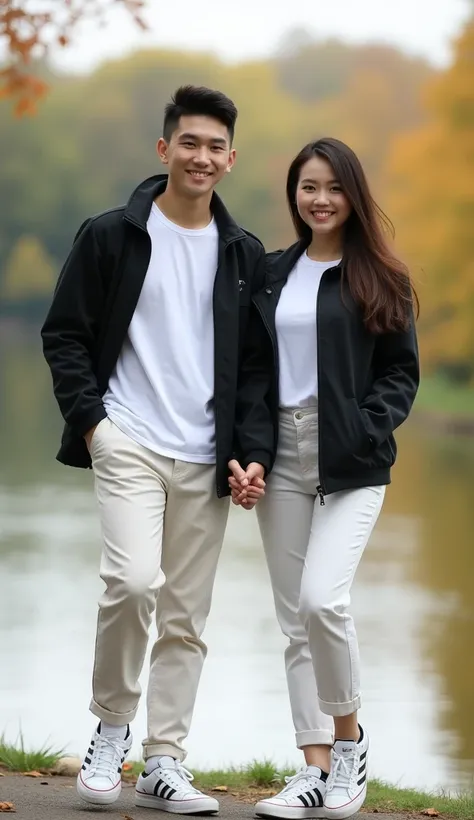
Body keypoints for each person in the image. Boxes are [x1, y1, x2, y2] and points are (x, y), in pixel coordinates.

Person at [41, 85, 272, 813]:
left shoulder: (244, 255)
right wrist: (94, 427)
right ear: (164, 148)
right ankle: (112, 726)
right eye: (189, 142)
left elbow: (259, 369)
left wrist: (251, 450)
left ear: (231, 159)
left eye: (215, 147)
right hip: (129, 441)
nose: (201, 156)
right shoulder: (111, 235)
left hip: (207, 457)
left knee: (185, 616)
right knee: (134, 584)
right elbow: (65, 335)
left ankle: (165, 759)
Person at [229, 137, 419, 820]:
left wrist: (368, 427)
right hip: (280, 451)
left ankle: (349, 747)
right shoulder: (275, 273)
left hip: (353, 461)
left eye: (333, 187)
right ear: (294, 194)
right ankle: (312, 770)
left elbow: (400, 374)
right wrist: (250, 452)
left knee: (322, 603)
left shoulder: (381, 277)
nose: (320, 199)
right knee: (293, 624)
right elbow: (254, 374)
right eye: (308, 186)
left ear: (353, 194)